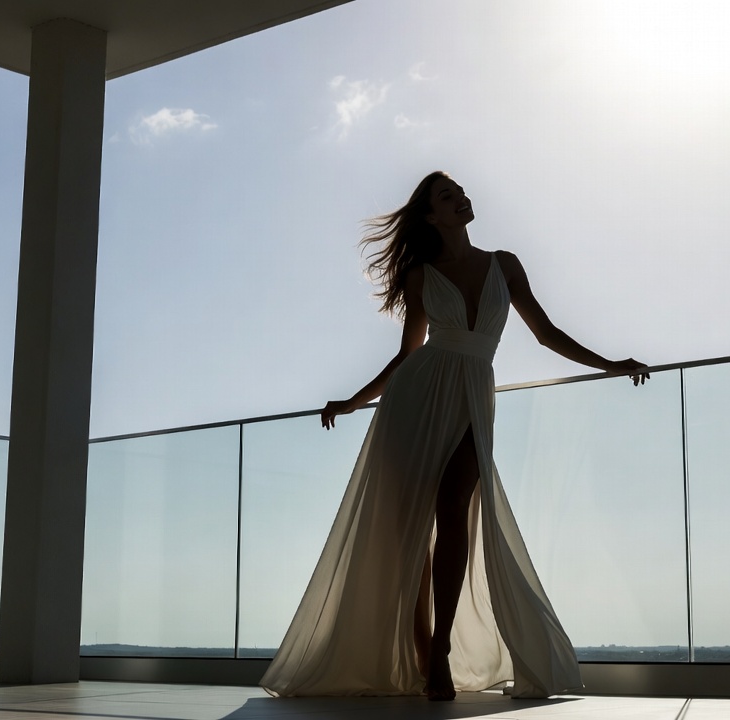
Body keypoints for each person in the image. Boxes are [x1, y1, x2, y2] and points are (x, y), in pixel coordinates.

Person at [259, 171, 648, 701]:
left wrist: (608, 363)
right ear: (430, 216)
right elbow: (407, 355)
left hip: (471, 396)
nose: (461, 198)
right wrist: (352, 402)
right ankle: (424, 653)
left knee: (453, 508)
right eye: (447, 196)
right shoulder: (421, 276)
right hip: (415, 403)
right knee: (411, 534)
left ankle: (440, 646)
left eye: (460, 191)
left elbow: (545, 332)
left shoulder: (504, 265)